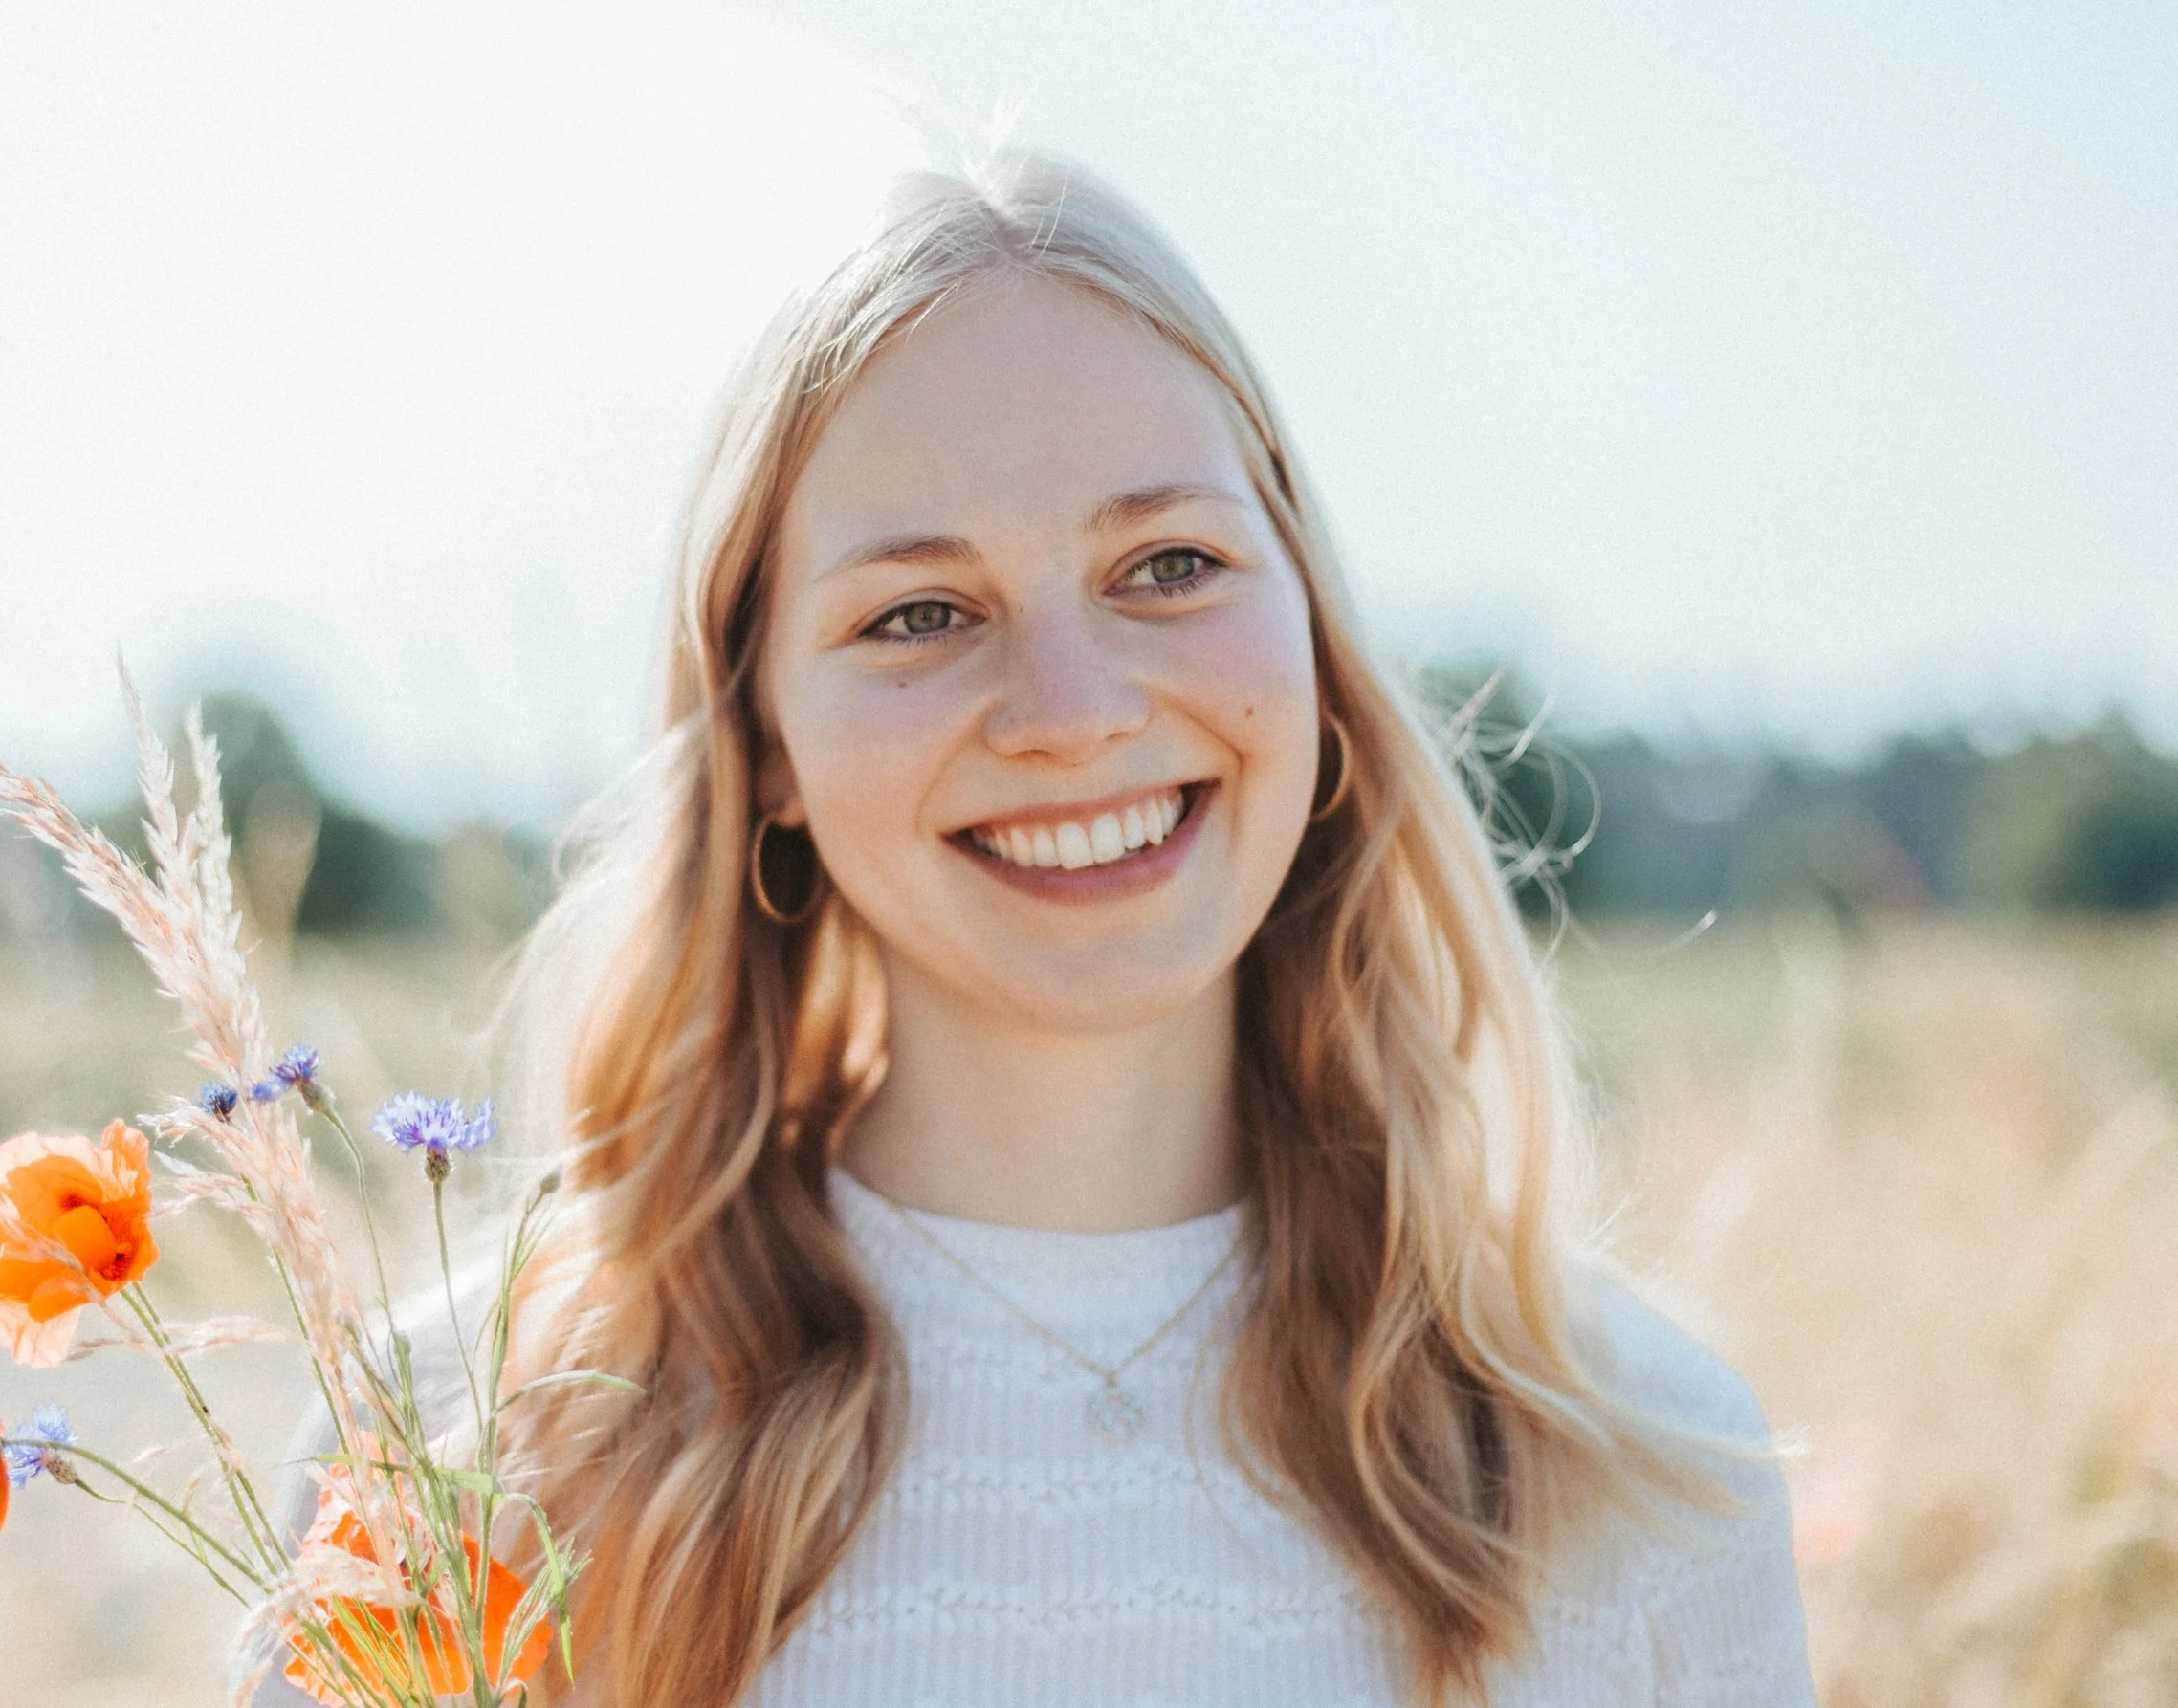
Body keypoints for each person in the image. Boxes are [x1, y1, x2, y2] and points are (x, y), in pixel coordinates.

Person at [255, 148, 1815, 1707]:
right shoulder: (466, 1449)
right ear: (764, 737)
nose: (1072, 712)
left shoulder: (1651, 1479)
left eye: (1170, 565)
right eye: (919, 613)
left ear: (1314, 637)